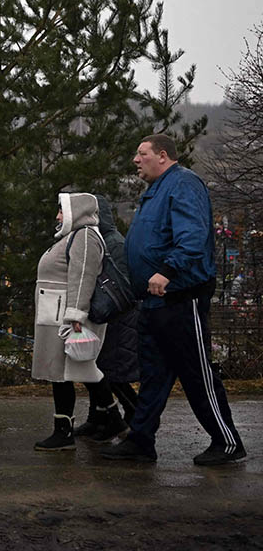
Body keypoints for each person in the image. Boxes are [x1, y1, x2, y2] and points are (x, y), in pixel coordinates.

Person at [103, 134, 247, 466]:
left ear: (163, 156)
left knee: (197, 372)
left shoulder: (183, 184)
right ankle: (141, 441)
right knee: (153, 375)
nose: (135, 160)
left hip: (181, 299)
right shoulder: (154, 192)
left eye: (142, 154)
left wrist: (168, 270)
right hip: (153, 303)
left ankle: (227, 442)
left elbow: (192, 235)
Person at [31, 193, 120, 451]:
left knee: (71, 372)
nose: (58, 216)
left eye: (62, 211)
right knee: (64, 373)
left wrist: (76, 315)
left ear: (76, 211)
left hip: (65, 317)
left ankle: (65, 431)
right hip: (56, 315)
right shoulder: (73, 237)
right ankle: (111, 420)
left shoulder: (85, 237)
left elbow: (83, 277)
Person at [75, 195, 138, 441]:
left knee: (109, 373)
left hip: (118, 318)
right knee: (100, 368)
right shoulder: (102, 239)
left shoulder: (113, 243)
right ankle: (98, 418)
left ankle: (132, 412)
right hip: (108, 316)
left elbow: (122, 284)